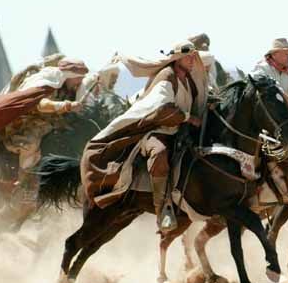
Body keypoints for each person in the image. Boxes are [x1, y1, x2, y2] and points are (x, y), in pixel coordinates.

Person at [80, 41, 208, 233]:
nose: (192, 61)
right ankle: (163, 210)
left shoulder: (189, 80)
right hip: (156, 131)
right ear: (177, 58)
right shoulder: (167, 76)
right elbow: (160, 109)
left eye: (193, 57)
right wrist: (188, 118)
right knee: (160, 153)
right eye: (188, 57)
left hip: (179, 131)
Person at [0, 57, 89, 204]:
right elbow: (40, 104)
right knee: (29, 143)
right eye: (78, 78)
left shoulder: (72, 88)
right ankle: (24, 183)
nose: (80, 81)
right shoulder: (49, 81)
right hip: (26, 123)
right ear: (69, 76)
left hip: (53, 124)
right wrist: (66, 106)